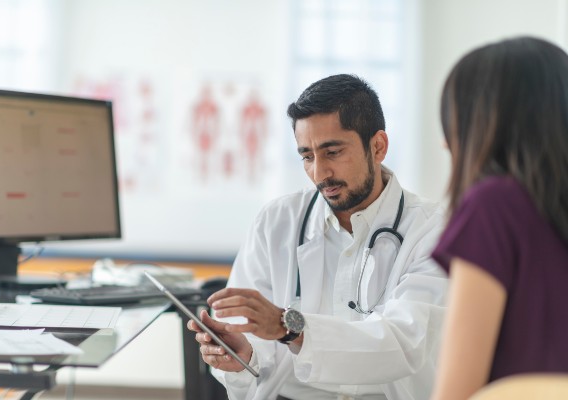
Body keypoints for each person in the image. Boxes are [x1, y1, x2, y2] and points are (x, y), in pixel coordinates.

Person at [188, 74, 448, 400]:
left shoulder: (433, 230)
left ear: (378, 146)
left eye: (333, 152)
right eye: (307, 156)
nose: (319, 173)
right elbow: (253, 351)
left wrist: (289, 328)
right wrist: (240, 357)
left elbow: (405, 342)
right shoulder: (276, 222)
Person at [431, 36, 568, 400]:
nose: (446, 143)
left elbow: (456, 393)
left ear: (486, 124)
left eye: (452, 121)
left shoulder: (494, 207)